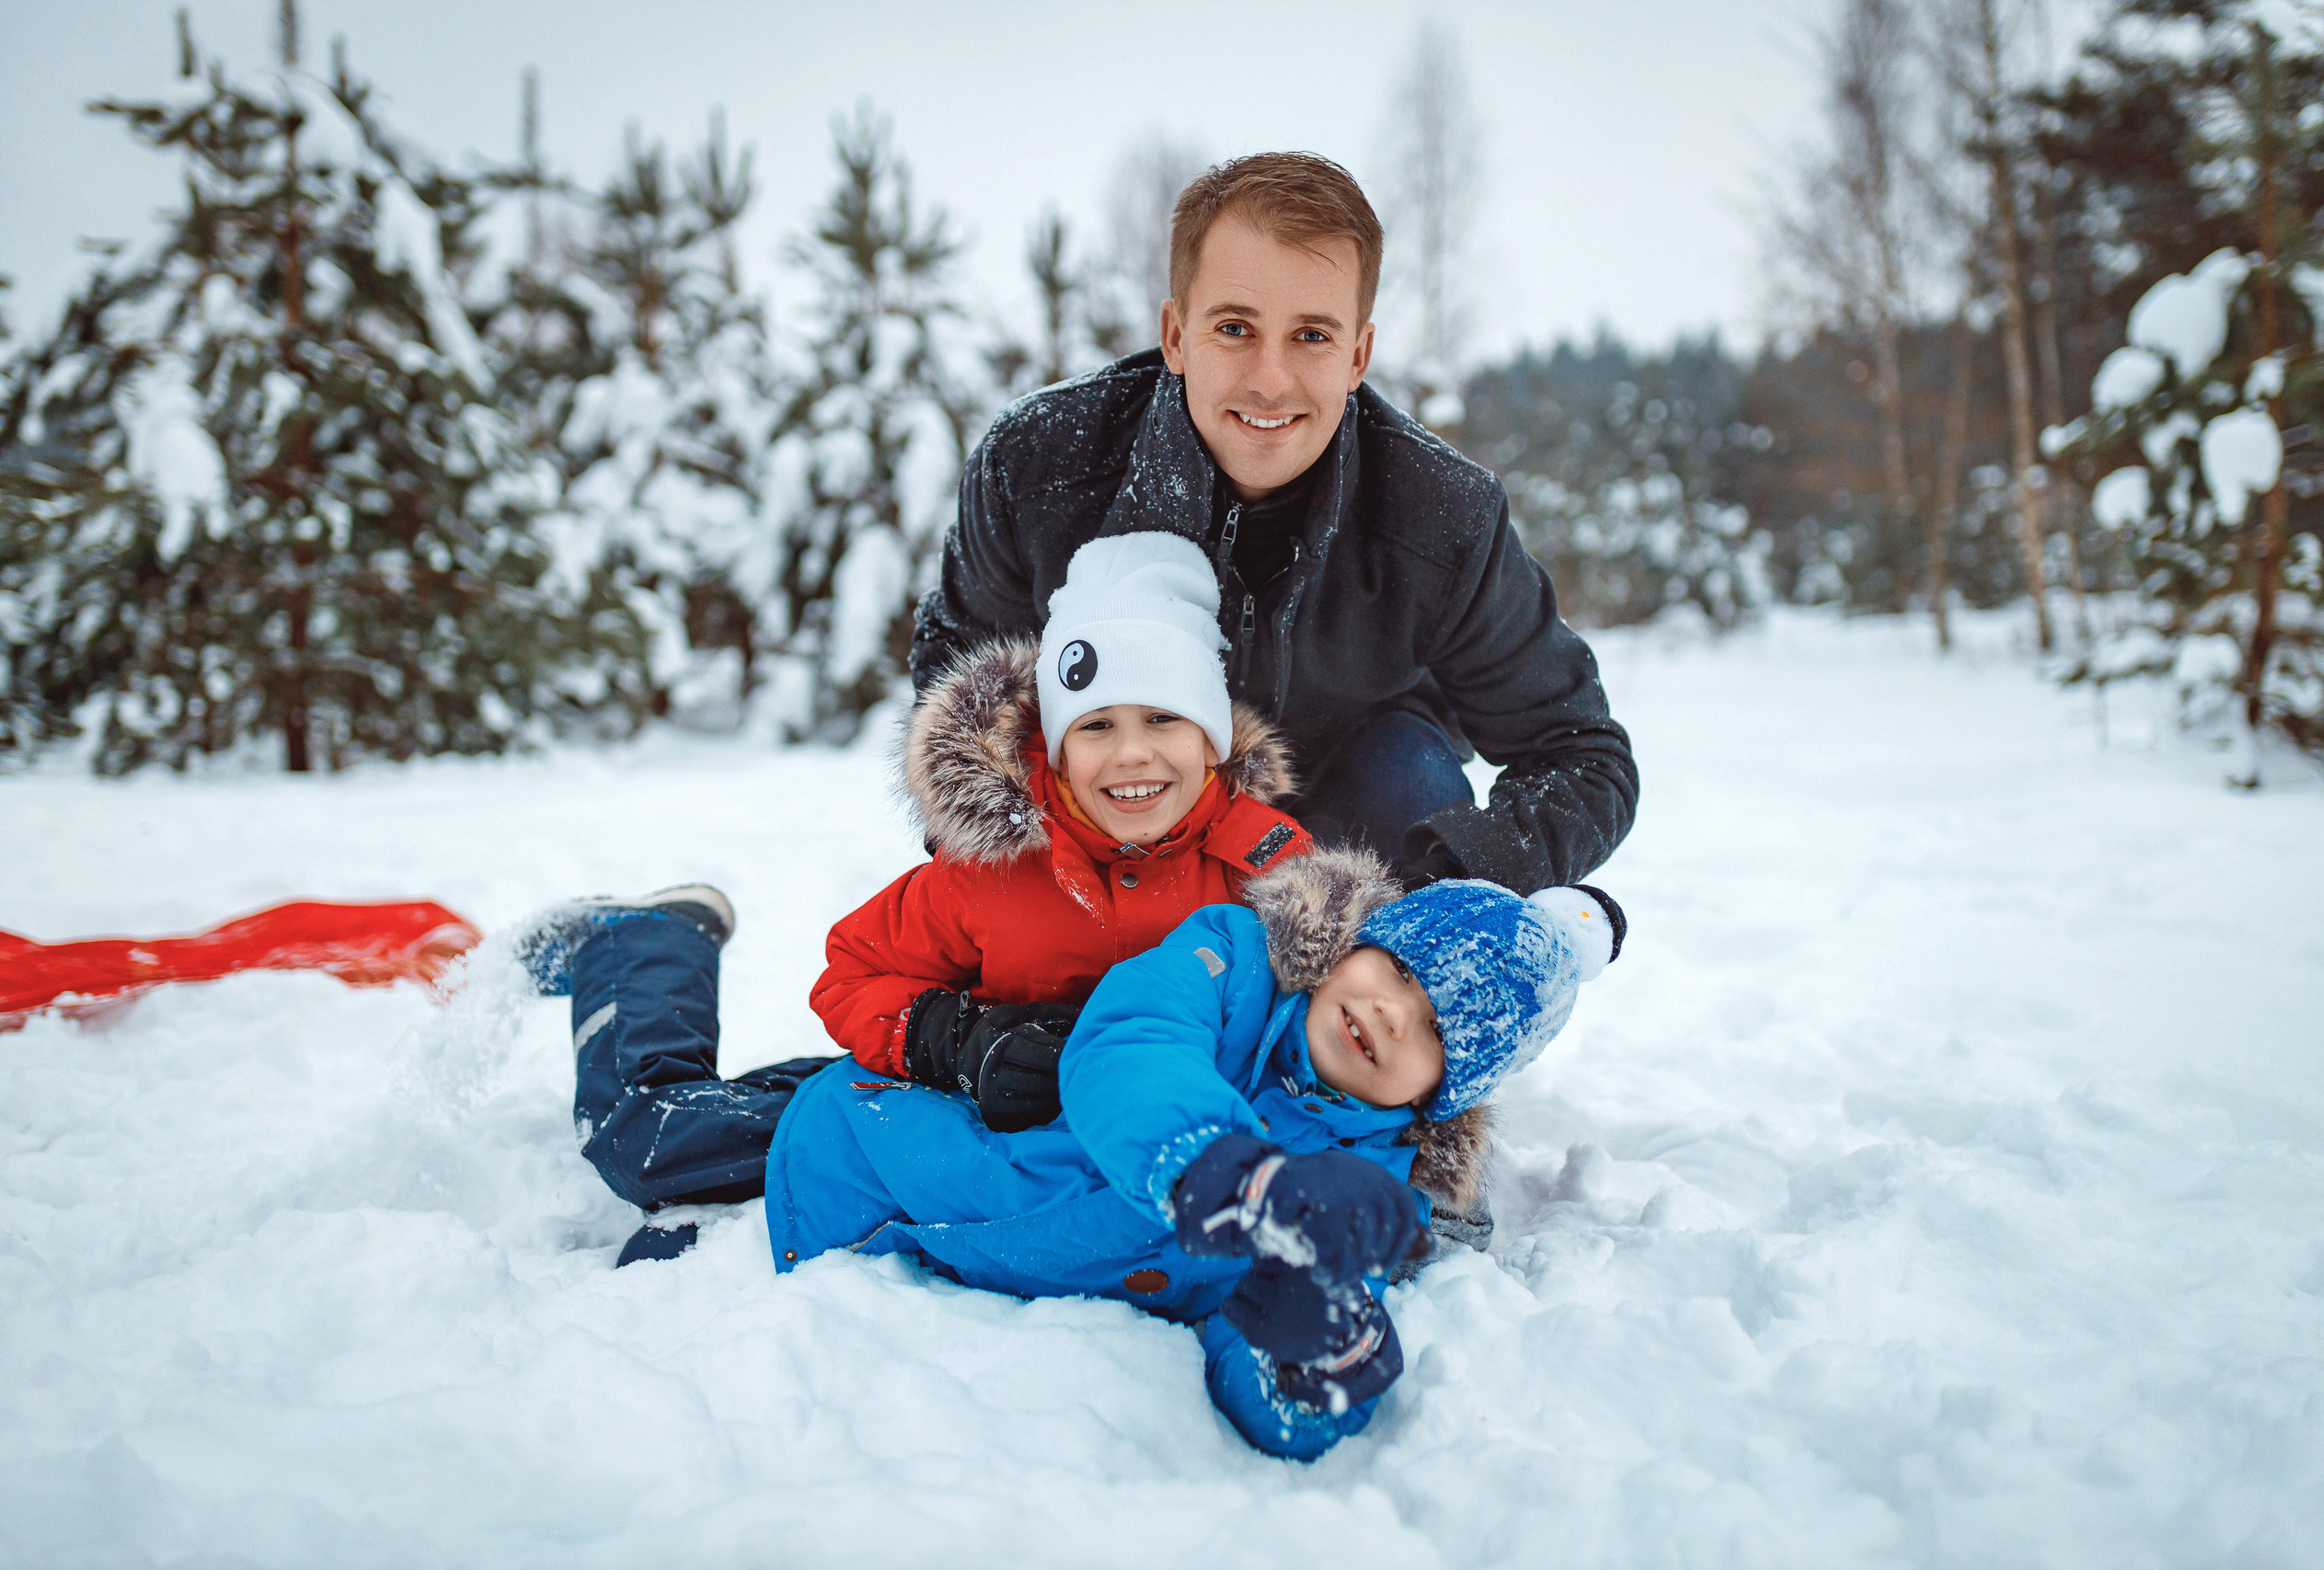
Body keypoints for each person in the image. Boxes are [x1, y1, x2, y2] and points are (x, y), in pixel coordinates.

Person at [523, 533, 1314, 1264]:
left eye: (1165, 717)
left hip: (1088, 1149)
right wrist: (958, 1042)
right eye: (1097, 724)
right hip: (940, 1109)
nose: (1132, 753)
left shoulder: (1272, 876)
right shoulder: (996, 866)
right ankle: (643, 946)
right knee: (654, 1147)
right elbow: (850, 974)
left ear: (1211, 736)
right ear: (1058, 745)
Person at [911, 151, 1638, 897]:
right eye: (1234, 328)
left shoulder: (1442, 517)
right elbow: (962, 709)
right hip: (1112, 845)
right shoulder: (1038, 468)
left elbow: (1582, 755)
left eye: (1312, 336)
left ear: (1358, 354)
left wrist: (1444, 890)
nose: (1270, 379)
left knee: (1408, 767)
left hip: (1357, 840)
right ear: (1175, 335)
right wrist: (1013, 930)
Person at [765, 846, 1627, 1460]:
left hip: (929, 1286)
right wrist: (1228, 1172)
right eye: (1399, 970)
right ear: (1360, 940)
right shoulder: (1232, 959)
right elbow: (1133, 1046)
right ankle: (654, 951)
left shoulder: (1364, 1187)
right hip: (854, 1150)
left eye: (1438, 1029)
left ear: (1447, 1090)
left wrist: (1320, 1354)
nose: (1395, 1013)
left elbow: (1258, 1361)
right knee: (665, 1137)